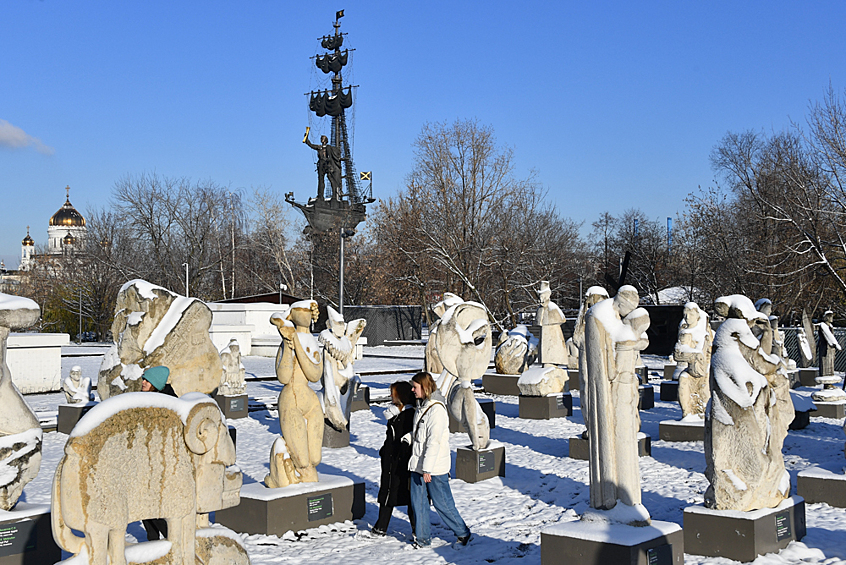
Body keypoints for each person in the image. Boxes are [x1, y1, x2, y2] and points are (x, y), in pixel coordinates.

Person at [408, 371, 471, 548]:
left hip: (433, 468)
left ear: (425, 387)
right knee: (418, 504)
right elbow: (420, 435)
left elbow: (434, 442)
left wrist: (427, 469)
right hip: (417, 465)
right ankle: (422, 539)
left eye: (415, 386)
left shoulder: (436, 410)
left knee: (442, 504)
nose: (412, 390)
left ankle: (463, 532)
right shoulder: (422, 406)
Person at [372, 381, 416, 536]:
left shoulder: (408, 416)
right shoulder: (395, 415)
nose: (391, 395)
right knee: (388, 493)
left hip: (400, 464)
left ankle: (417, 530)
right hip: (391, 463)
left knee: (409, 496)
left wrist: (396, 455)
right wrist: (384, 451)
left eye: (393, 392)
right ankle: (381, 526)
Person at [139, 365, 176, 541]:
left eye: (147, 380)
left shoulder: (168, 403)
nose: (143, 382)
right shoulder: (145, 399)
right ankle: (152, 540)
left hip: (161, 462)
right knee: (142, 502)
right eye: (143, 379)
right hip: (144, 459)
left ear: (156, 383)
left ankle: (172, 539)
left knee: (152, 504)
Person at [303, 132, 342, 200]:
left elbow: (332, 154)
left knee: (331, 178)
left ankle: (334, 195)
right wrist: (306, 138)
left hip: (327, 163)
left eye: (323, 138)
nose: (321, 139)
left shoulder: (328, 147)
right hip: (321, 163)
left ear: (326, 140)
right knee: (321, 180)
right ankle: (320, 195)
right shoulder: (319, 147)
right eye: (321, 138)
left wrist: (329, 163)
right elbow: (311, 145)